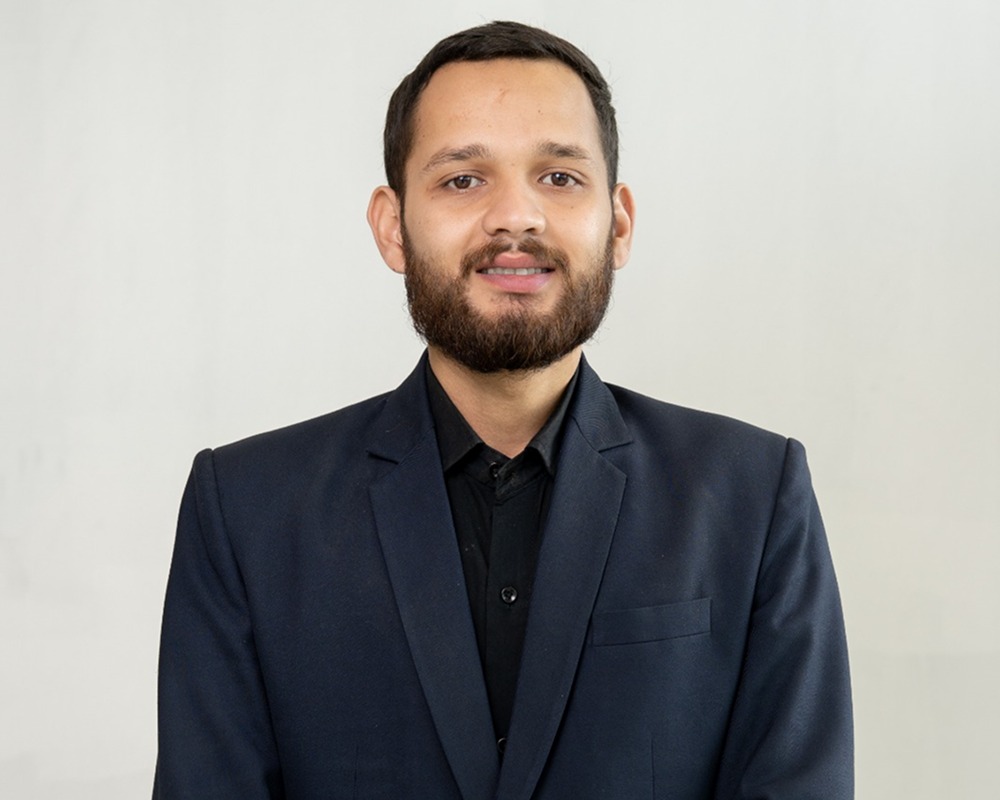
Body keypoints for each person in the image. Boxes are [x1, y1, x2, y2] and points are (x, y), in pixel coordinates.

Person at [153, 20, 852, 800]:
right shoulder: (247, 510)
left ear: (619, 223)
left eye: (559, 176)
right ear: (392, 226)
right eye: (463, 179)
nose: (515, 217)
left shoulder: (752, 495)